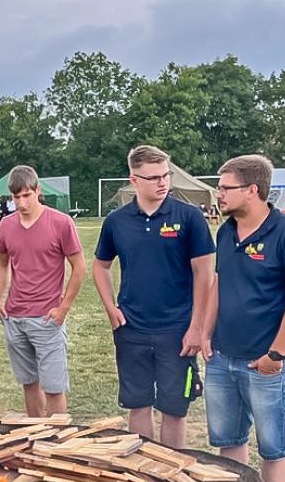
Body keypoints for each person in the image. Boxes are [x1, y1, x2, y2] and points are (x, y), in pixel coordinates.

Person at [202, 154, 285, 482]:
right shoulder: (225, 232)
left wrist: (276, 356)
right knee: (228, 439)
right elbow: (218, 285)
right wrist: (205, 333)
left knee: (274, 444)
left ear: (253, 190)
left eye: (225, 187)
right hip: (222, 357)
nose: (219, 194)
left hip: (266, 362)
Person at [92, 145, 215, 448]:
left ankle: (172, 475)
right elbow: (100, 265)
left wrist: (197, 327)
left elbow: (205, 275)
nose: (162, 183)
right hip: (132, 328)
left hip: (177, 329)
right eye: (153, 178)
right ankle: (143, 472)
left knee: (174, 408)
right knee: (138, 403)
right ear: (134, 180)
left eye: (165, 175)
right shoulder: (117, 222)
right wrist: (111, 308)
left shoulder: (189, 218)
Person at [0, 165, 86, 417]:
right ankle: (36, 438)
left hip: (47, 318)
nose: (21, 203)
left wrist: (64, 307)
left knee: (54, 388)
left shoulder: (61, 223)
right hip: (14, 317)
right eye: (16, 197)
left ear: (38, 191)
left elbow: (79, 267)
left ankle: (56, 445)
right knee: (29, 383)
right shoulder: (7, 225)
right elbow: (2, 262)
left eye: (26, 195)